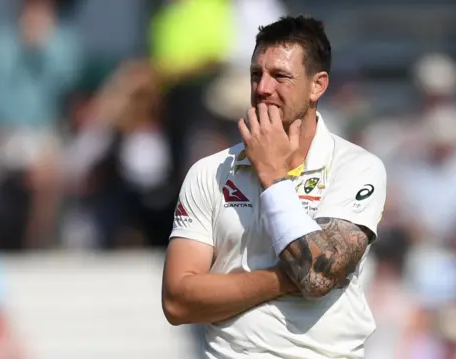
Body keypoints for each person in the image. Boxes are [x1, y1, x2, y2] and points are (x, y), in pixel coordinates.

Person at [161, 15, 387, 359]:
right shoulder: (209, 172)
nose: (263, 88)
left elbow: (315, 275)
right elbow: (177, 302)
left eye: (280, 76)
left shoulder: (356, 167)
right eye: (256, 75)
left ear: (318, 85)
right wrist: (285, 278)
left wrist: (273, 177)